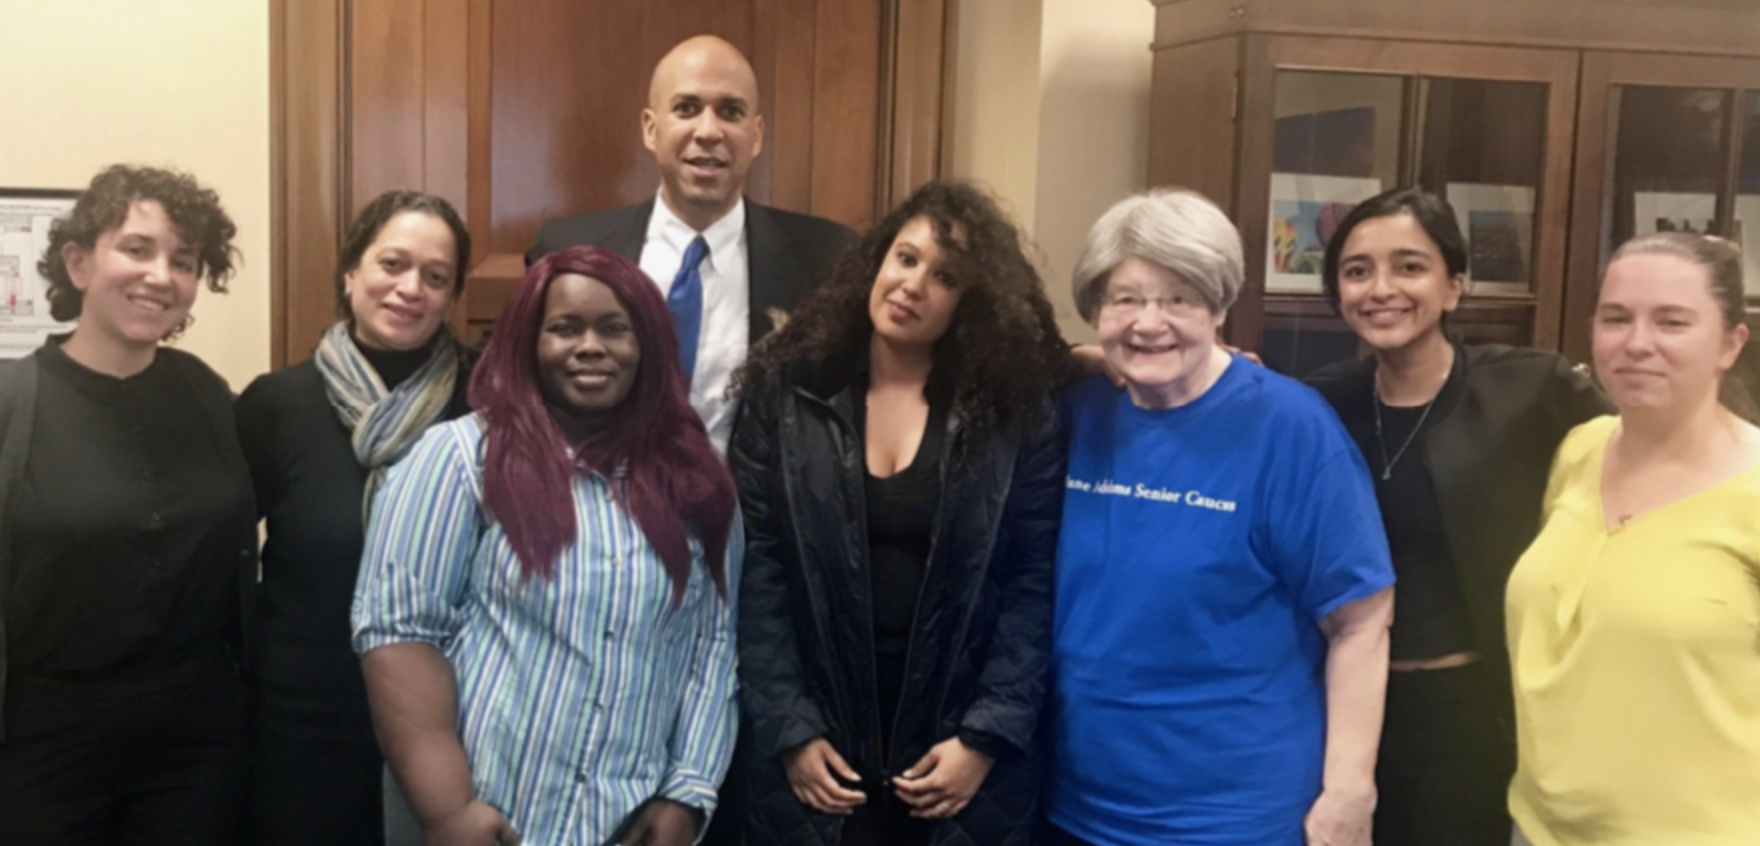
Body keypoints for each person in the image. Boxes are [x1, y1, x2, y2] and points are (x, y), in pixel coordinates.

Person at [352, 245, 740, 846]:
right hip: (487, 817)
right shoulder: (459, 459)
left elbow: (711, 644)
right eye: (564, 328)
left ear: (650, 348)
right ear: (528, 342)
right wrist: (449, 809)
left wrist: (687, 793)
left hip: (626, 822)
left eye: (616, 329)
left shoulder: (696, 484)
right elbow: (399, 635)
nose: (591, 346)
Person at [1046, 188, 1395, 846]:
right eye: (1125, 299)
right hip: (1075, 807)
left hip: (1235, 817)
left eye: (1179, 298)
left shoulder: (1291, 429)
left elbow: (1361, 621)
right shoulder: (1075, 414)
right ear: (1096, 308)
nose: (1150, 323)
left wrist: (1350, 791)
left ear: (1219, 305)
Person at [727, 181, 1067, 846]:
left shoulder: (1014, 415)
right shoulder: (786, 392)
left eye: (945, 276)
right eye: (905, 259)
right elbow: (758, 569)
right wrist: (790, 728)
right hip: (818, 752)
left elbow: (1032, 581)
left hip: (957, 757)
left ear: (972, 302)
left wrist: (987, 736)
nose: (913, 284)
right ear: (875, 264)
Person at [1301, 187, 1612, 846]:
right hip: (1337, 714)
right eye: (1357, 271)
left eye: (1409, 266)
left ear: (1454, 286)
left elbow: (1646, 459)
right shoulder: (1320, 402)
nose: (1380, 288)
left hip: (1473, 716)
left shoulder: (1533, 389)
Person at [0, 164, 254, 844]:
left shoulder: (209, 396)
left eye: (185, 260)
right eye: (137, 248)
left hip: (198, 739)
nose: (161, 274)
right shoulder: (11, 402)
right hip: (39, 742)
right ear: (79, 264)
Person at [237, 191, 477, 846]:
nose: (410, 289)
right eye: (392, 264)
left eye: (435, 276)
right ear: (350, 273)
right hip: (300, 720)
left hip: (454, 718)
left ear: (453, 294)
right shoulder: (276, 405)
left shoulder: (486, 402)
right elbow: (223, 557)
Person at [1507, 232, 1760, 846]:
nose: (1637, 343)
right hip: (1539, 829)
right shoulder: (1580, 450)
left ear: (1730, 343)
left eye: (1672, 322)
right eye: (1616, 318)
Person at [528, 34, 856, 452]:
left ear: (755, 135)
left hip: (751, 512)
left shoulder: (827, 257)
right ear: (651, 128)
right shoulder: (567, 250)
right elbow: (522, 390)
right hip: (601, 503)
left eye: (730, 111)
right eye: (686, 109)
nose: (708, 131)